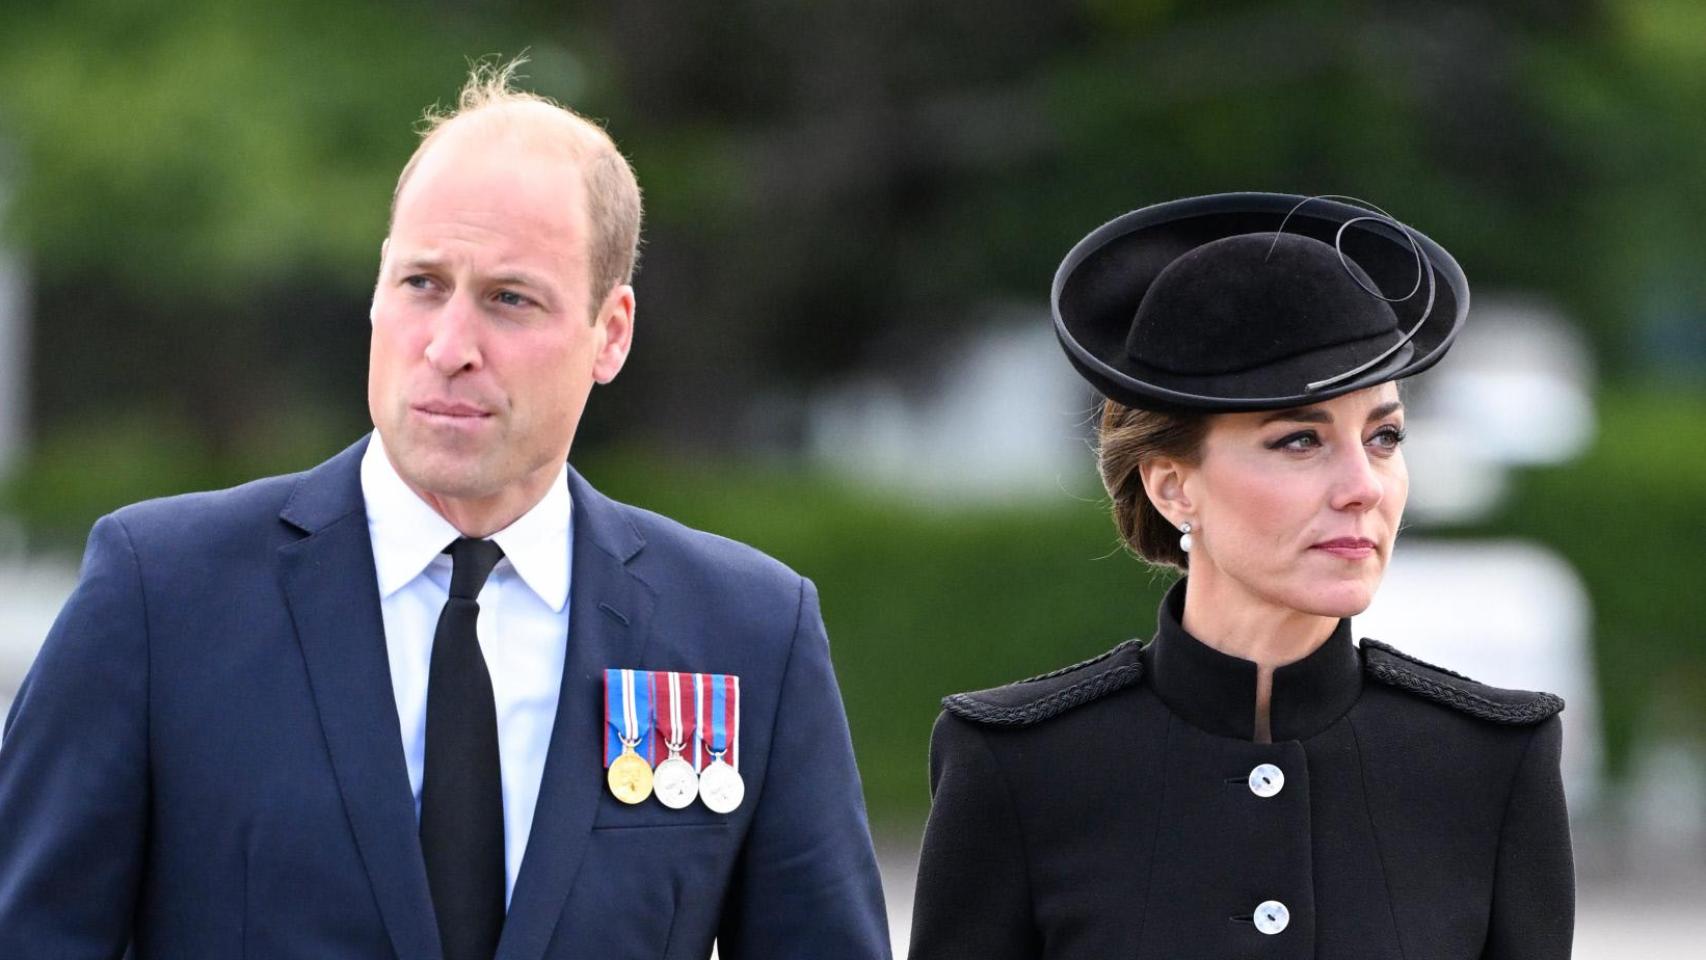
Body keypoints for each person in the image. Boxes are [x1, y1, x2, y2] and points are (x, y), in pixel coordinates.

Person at [0, 58, 890, 960]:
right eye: (422, 284)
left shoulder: (746, 632)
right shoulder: (164, 595)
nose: (450, 345)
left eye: (510, 299)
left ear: (610, 334)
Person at [907, 193, 1574, 959]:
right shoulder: (1019, 764)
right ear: (1171, 486)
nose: (1364, 485)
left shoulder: (1491, 761)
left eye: (1384, 435)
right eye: (1298, 441)